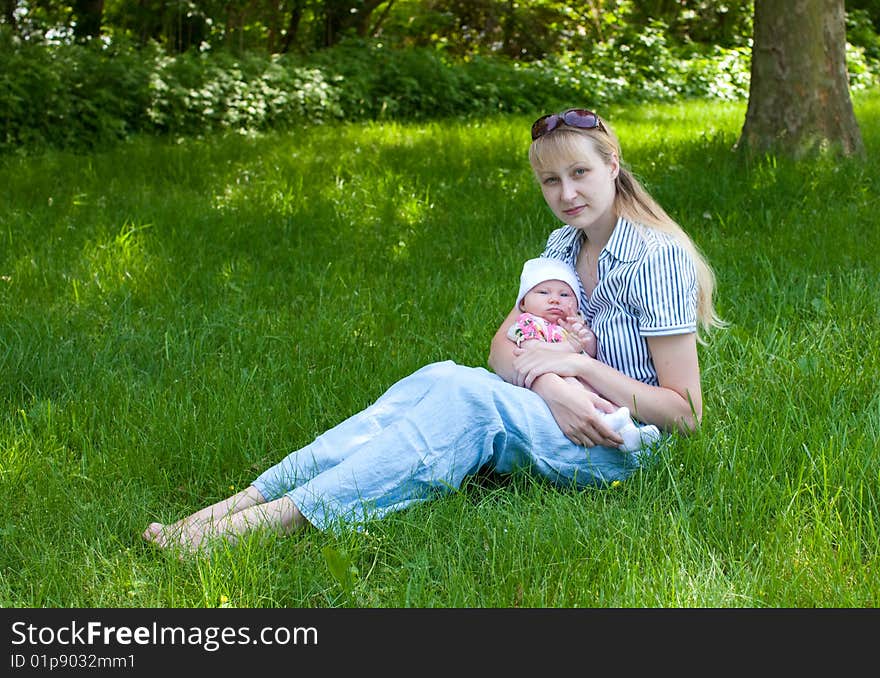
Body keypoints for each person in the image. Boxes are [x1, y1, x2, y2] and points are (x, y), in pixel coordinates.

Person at [142, 107, 724, 554]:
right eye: (550, 181)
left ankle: (270, 523)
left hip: (619, 443)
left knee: (466, 400)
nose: (566, 194)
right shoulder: (563, 246)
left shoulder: (655, 255)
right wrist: (550, 387)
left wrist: (576, 369)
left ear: (613, 166)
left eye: (580, 173)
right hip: (555, 412)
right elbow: (503, 346)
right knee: (442, 376)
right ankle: (249, 498)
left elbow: (685, 414)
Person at [508, 256, 661, 452]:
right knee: (578, 390)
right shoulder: (528, 323)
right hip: (557, 379)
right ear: (523, 303)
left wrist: (584, 335)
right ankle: (609, 424)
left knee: (605, 396)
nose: (554, 299)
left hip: (581, 375)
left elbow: (591, 351)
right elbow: (532, 350)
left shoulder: (567, 326)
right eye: (543, 292)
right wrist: (570, 347)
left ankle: (629, 432)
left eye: (565, 295)